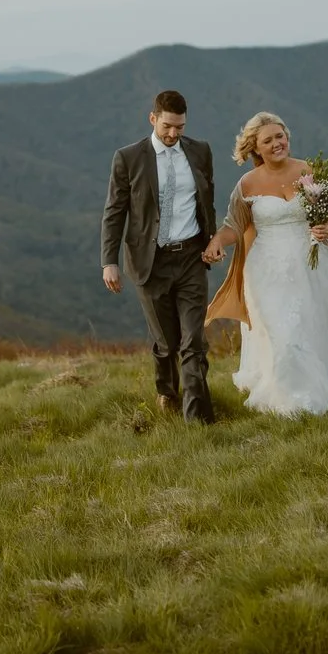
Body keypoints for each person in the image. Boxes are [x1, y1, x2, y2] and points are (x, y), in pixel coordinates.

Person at [205, 111, 328, 417]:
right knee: (285, 331)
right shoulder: (247, 183)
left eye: (280, 136)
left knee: (315, 324)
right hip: (267, 270)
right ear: (256, 148)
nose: (277, 143)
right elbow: (233, 226)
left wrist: (325, 230)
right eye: (268, 140)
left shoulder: (310, 171)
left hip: (312, 264)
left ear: (288, 138)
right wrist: (216, 242)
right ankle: (295, 397)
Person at [101, 89, 224, 422]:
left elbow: (207, 201)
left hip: (191, 259)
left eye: (180, 127)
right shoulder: (128, 158)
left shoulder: (200, 151)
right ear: (153, 118)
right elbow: (115, 211)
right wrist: (109, 261)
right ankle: (167, 391)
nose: (173, 134)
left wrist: (212, 240)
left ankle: (198, 420)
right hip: (149, 262)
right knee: (166, 342)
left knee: (193, 340)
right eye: (167, 126)